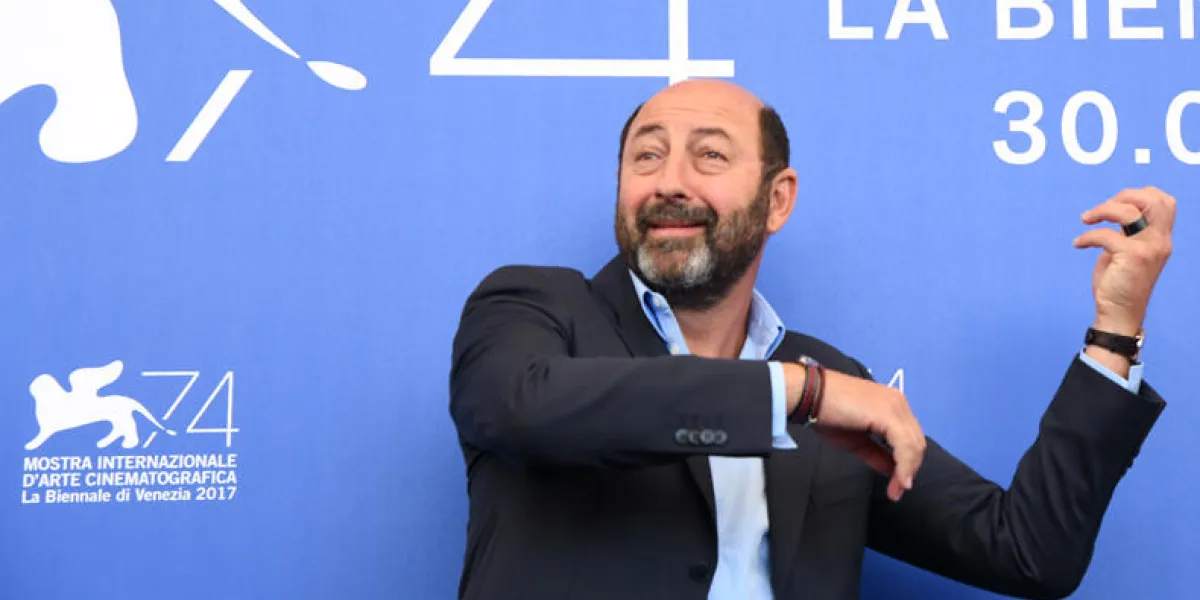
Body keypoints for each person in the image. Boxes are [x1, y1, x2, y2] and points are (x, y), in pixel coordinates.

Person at [447, 79, 1173, 600]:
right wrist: (798, 393)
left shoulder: (833, 377)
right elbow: (522, 407)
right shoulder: (536, 305)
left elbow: (1027, 553)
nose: (670, 181)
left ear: (778, 200)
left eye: (709, 156)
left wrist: (1116, 330)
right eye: (646, 156)